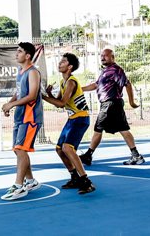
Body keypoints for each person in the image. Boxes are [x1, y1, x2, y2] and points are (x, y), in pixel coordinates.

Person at [78, 48, 145, 166]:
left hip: (111, 104)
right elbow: (96, 85)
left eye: (106, 56)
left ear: (112, 57)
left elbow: (127, 84)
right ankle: (136, 156)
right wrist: (80, 89)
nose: (103, 57)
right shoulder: (105, 71)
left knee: (98, 129)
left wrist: (131, 102)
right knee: (123, 129)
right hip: (111, 104)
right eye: (101, 56)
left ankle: (88, 155)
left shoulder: (116, 70)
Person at [43, 53, 95, 194]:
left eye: (63, 61)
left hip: (80, 118)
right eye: (60, 61)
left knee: (67, 148)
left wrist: (43, 97)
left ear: (70, 67)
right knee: (59, 149)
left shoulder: (71, 82)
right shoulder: (62, 82)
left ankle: (86, 181)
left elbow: (62, 103)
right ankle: (75, 177)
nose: (60, 63)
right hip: (72, 119)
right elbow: (58, 103)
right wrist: (49, 94)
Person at [0, 42, 44, 200]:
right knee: (18, 149)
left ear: (28, 56)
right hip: (21, 116)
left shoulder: (33, 72)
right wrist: (9, 104)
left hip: (30, 117)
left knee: (20, 149)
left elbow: (32, 95)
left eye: (19, 51)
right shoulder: (21, 71)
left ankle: (19, 186)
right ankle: (30, 181)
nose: (16, 54)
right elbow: (19, 93)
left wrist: (12, 104)